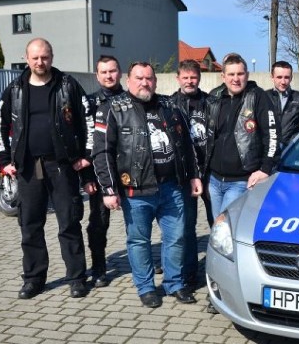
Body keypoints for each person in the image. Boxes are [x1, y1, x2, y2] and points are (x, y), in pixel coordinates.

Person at [92, 61, 202, 308]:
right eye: (139, 78)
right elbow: (102, 152)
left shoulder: (170, 105)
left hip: (173, 187)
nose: (145, 83)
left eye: (149, 78)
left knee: (177, 238)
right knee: (139, 240)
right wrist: (108, 189)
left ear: (155, 80)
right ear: (128, 80)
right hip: (136, 190)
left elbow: (188, 145)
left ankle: (174, 283)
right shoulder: (112, 108)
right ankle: (146, 287)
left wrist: (194, 176)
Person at [0, 38, 95, 300]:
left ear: (52, 57)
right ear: (26, 58)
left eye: (45, 57)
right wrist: (5, 159)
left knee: (69, 222)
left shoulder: (67, 85)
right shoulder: (14, 89)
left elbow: (88, 120)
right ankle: (34, 279)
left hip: (62, 165)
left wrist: (85, 155)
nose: (41, 62)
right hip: (27, 167)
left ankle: (76, 278)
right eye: (35, 57)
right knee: (30, 225)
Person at [205, 53, 279, 218]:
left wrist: (265, 168)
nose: (236, 79)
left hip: (240, 181)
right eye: (231, 74)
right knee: (219, 230)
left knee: (224, 225)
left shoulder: (258, 97)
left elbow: (272, 134)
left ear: (247, 75)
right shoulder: (215, 98)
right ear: (223, 76)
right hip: (215, 181)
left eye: (240, 74)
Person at [170, 59, 213, 288]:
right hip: (184, 175)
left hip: (210, 172)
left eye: (193, 77)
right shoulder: (169, 104)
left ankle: (217, 272)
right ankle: (188, 274)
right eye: (185, 77)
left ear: (199, 78)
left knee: (216, 224)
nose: (189, 81)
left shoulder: (210, 102)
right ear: (178, 78)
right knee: (186, 226)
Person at [85, 55, 124, 288]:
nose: (109, 76)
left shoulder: (130, 99)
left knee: (138, 220)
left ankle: (142, 260)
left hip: (130, 170)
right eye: (104, 72)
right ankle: (99, 266)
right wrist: (87, 177)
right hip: (100, 172)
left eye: (112, 71)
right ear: (97, 75)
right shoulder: (89, 103)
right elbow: (85, 142)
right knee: (98, 222)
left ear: (119, 73)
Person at [266, 60, 299, 151]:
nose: (283, 81)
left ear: (291, 78)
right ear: (272, 77)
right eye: (279, 77)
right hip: (267, 155)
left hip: (291, 153)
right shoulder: (262, 98)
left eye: (286, 77)